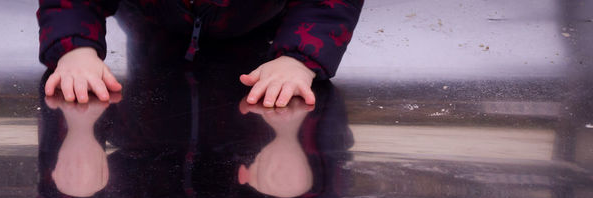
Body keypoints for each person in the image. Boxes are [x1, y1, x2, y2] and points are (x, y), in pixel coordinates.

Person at [37, 0, 363, 107]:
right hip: (154, 23)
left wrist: (298, 57)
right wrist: (75, 48)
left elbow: (325, 5)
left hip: (262, 22)